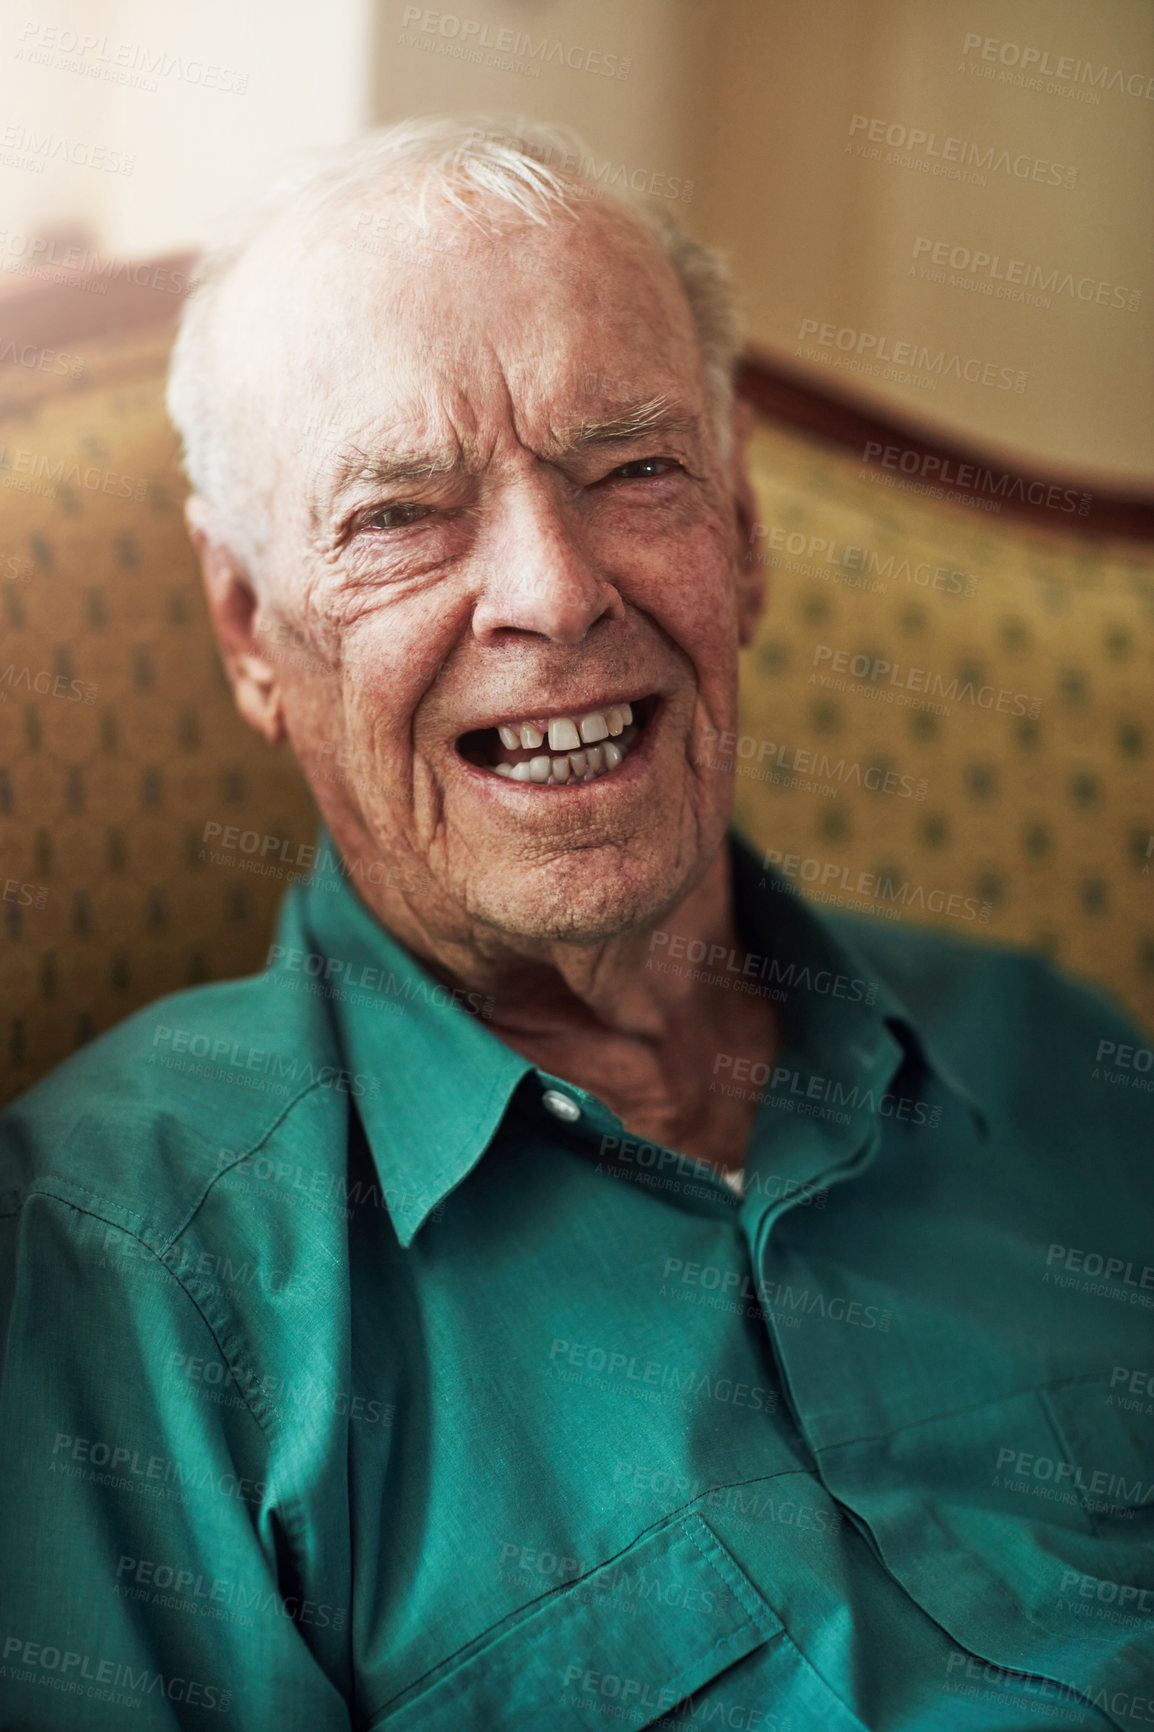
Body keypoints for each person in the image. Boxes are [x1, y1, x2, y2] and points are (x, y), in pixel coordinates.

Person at [1, 116, 1150, 1732]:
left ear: (739, 530)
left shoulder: (1063, 1058)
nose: (551, 589)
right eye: (399, 514)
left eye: (631, 471)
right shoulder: (121, 1259)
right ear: (252, 627)